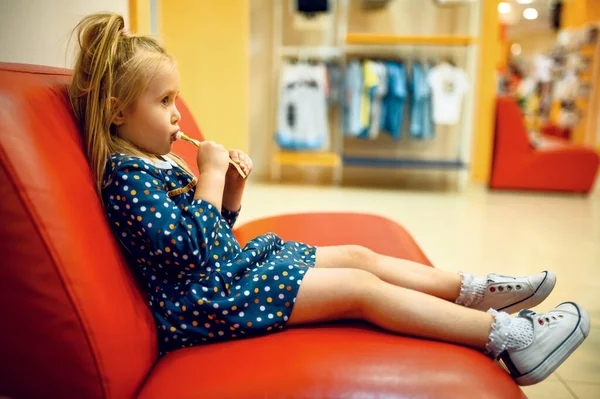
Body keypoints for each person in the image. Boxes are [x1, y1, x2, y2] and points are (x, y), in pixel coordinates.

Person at [68, 12, 589, 387]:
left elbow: (213, 239)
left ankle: (475, 291)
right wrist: (207, 178)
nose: (178, 114)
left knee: (359, 257)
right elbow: (188, 255)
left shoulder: (155, 160)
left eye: (176, 98)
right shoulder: (125, 175)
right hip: (205, 306)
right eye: (163, 102)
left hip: (224, 278)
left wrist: (230, 193)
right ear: (117, 113)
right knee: (361, 288)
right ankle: (511, 339)